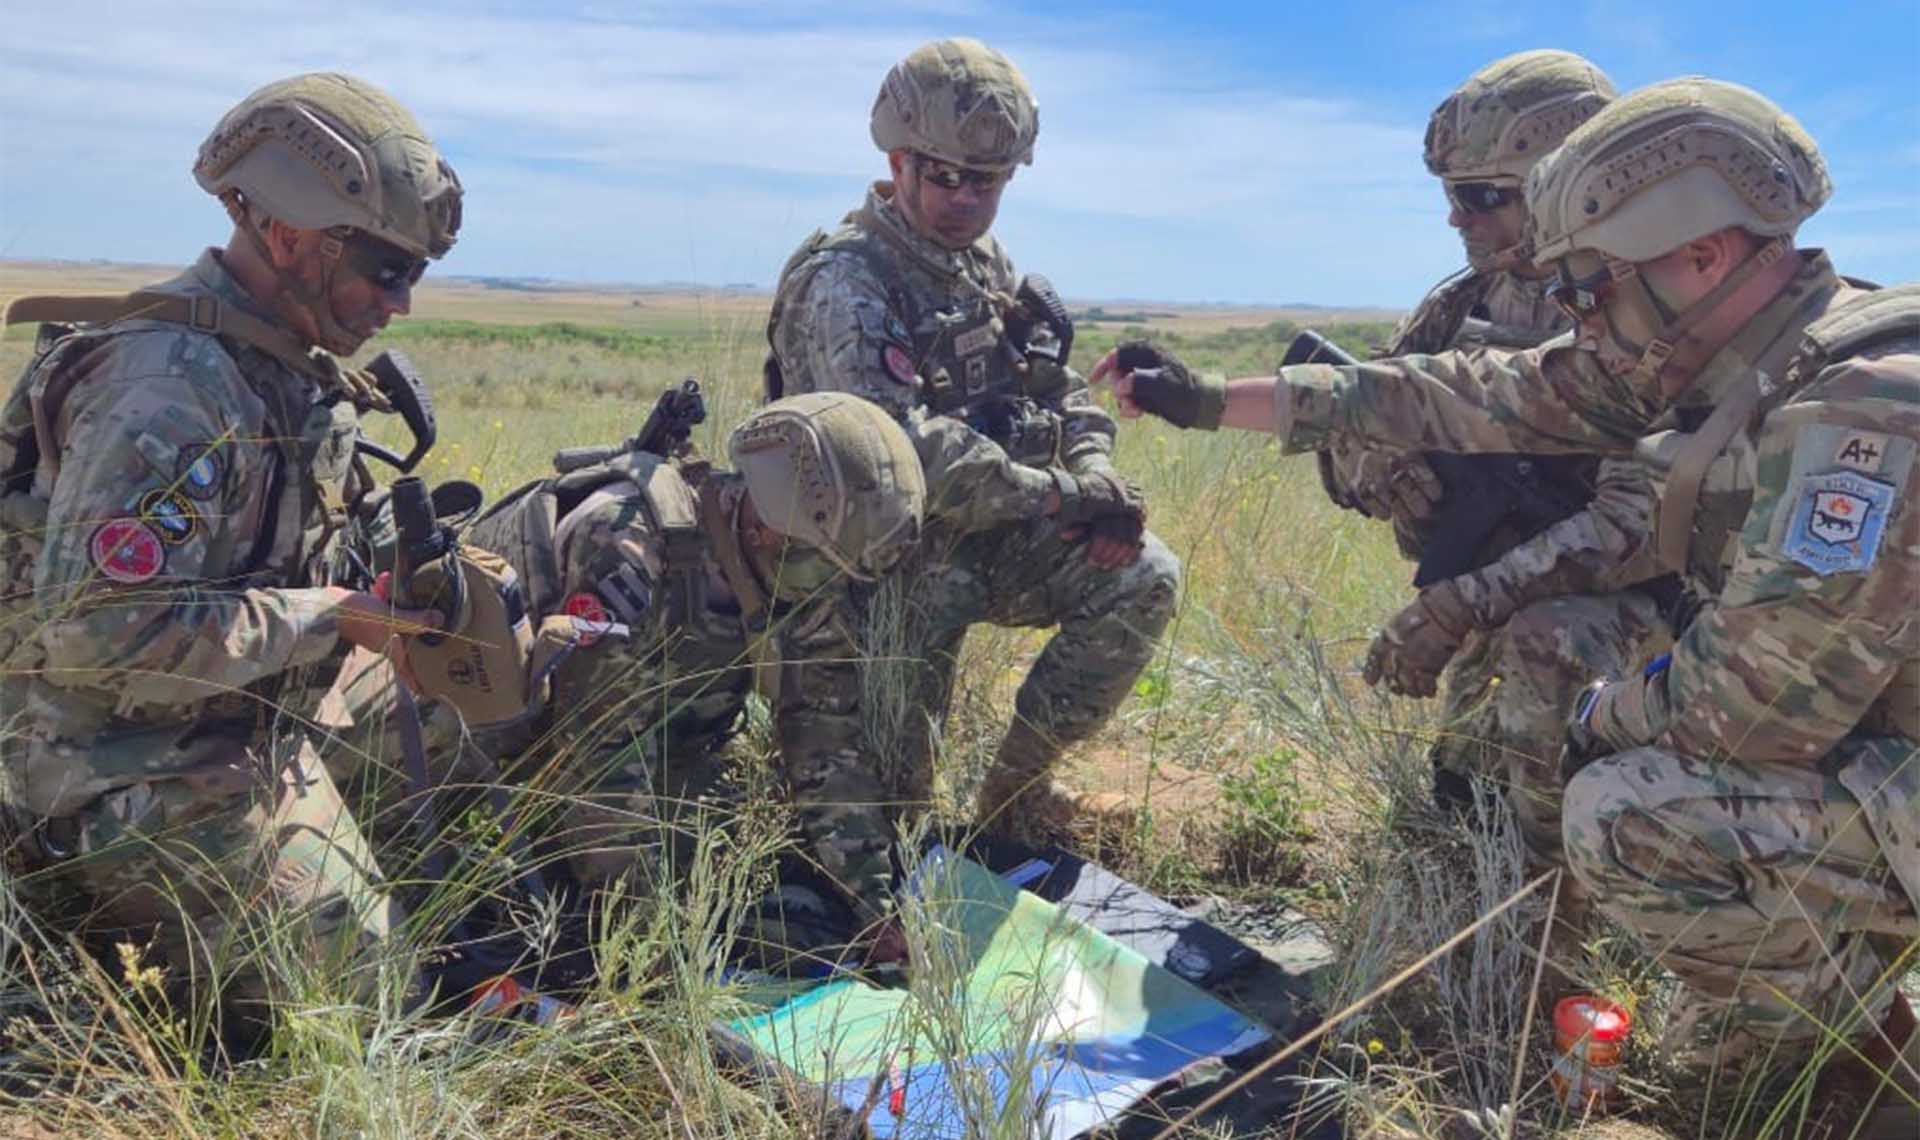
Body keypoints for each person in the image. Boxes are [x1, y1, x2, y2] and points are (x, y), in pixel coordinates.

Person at [1095, 78, 1917, 1127]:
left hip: (1858, 755)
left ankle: (1855, 1065)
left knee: (1630, 814)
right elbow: (1468, 390)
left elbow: (1748, 712)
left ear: (1703, 255)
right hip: (1869, 752)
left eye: (1590, 291)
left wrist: (1599, 716)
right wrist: (1213, 400)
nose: (1581, 320)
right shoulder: (1716, 349)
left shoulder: (1864, 409)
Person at [0, 73, 462, 1035]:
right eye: (385, 269)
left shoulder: (284, 366)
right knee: (363, 1006)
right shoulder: (170, 389)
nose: (401, 303)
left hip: (231, 724)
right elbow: (97, 636)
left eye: (409, 274)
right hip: (96, 757)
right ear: (290, 235)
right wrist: (330, 618)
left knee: (478, 739)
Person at [764, 37, 1179, 838]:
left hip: (978, 533)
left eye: (984, 182)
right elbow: (901, 457)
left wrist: (1097, 478)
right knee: (894, 830)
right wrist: (1063, 493)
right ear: (897, 160)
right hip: (866, 568)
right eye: (943, 176)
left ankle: (1015, 802)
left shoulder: (981, 263)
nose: (964, 200)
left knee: (1143, 576)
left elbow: (1051, 385)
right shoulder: (846, 279)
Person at [325, 392, 928, 938]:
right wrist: (651, 953)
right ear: (769, 531)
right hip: (467, 742)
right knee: (486, 920)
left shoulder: (802, 579)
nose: (834, 595)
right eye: (825, 570)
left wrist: (874, 905)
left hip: (606, 747)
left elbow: (825, 742)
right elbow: (597, 768)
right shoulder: (627, 550)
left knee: (731, 857)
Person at [1317, 52, 1676, 860]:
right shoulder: (1458, 306)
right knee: (1461, 819)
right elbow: (1352, 428)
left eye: (1484, 197)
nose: (1459, 219)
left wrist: (1456, 608)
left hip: (1641, 615)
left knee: (1546, 664)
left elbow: (1631, 528)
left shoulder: (1645, 310)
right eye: (1452, 195)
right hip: (1500, 604)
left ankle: (1556, 914)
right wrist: (1371, 465)